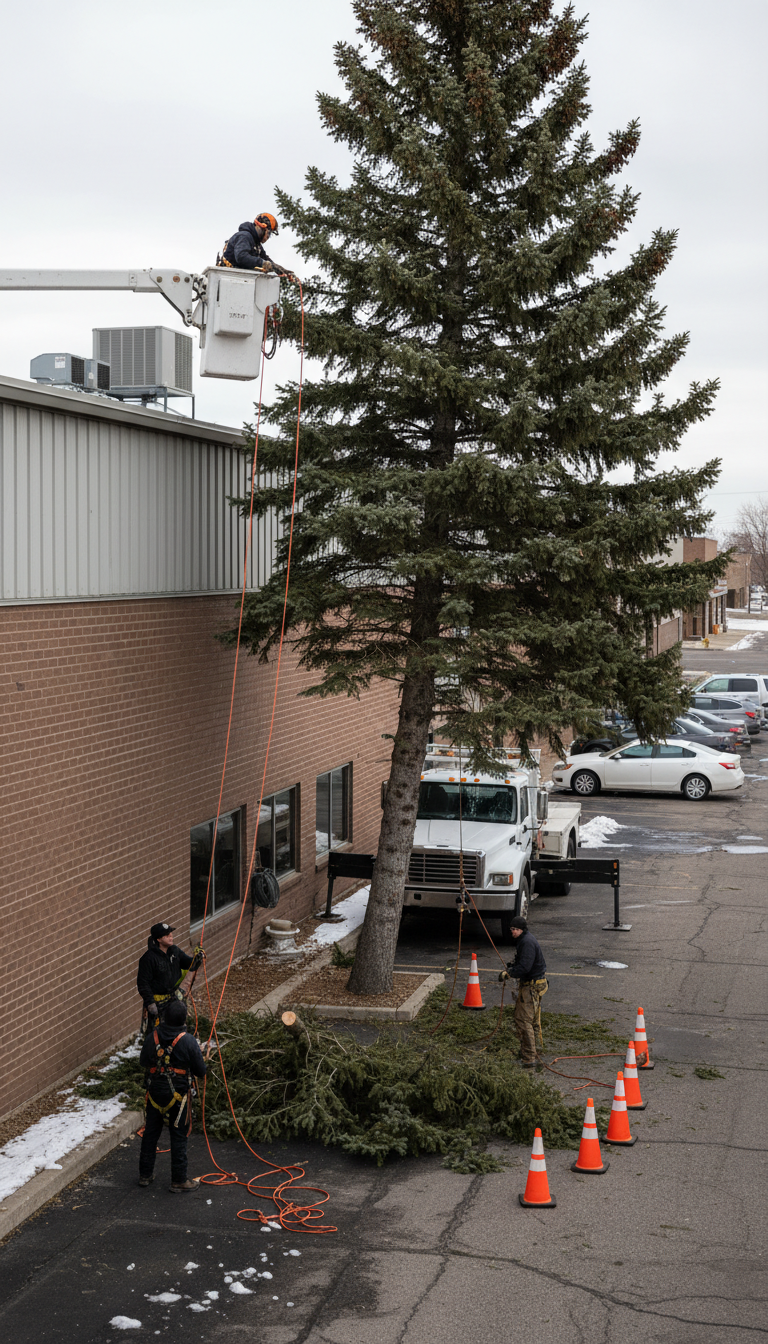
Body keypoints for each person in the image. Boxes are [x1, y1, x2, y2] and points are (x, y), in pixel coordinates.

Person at [138, 998, 207, 1191]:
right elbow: (201, 1071)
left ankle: (145, 1175)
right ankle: (179, 1180)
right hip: (178, 1096)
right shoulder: (188, 1040)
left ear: (165, 1017)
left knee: (151, 1134)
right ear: (183, 1020)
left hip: (155, 1092)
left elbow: (144, 1061)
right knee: (178, 1136)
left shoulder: (153, 1037)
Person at [136, 922, 203, 1031]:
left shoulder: (174, 951)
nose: (171, 937)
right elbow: (143, 983)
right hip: (158, 1002)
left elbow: (189, 964)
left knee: (176, 1026)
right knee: (157, 1031)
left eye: (171, 934)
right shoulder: (149, 959)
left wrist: (197, 959)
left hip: (173, 997)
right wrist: (150, 1003)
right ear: (159, 939)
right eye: (167, 935)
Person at [504, 917, 548, 1067]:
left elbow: (525, 967)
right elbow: (522, 962)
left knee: (523, 1020)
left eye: (514, 930)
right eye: (511, 930)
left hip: (531, 987)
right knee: (532, 1020)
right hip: (535, 984)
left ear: (521, 929)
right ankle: (535, 1051)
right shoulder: (524, 940)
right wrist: (512, 966)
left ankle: (529, 1058)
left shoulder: (527, 943)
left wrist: (510, 973)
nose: (512, 932)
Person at [219, 213, 295, 278]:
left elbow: (265, 259)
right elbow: (241, 256)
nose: (268, 237)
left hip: (236, 277)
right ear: (261, 227)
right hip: (227, 275)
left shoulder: (256, 244)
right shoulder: (244, 236)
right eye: (268, 233)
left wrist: (281, 270)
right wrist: (263, 263)